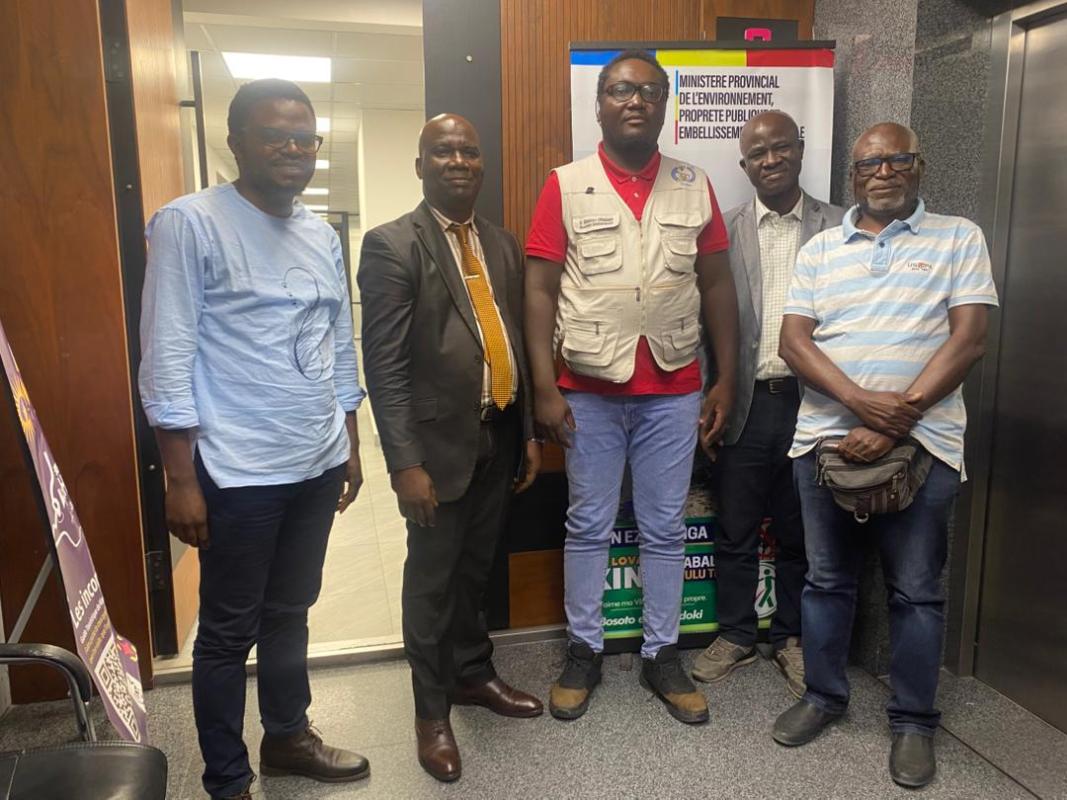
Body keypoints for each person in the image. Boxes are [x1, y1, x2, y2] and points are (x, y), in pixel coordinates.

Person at [139, 79, 369, 800]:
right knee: (227, 630)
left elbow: (339, 341)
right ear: (236, 142)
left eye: (305, 137)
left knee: (291, 611)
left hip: (315, 458)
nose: (294, 149)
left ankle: (287, 737)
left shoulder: (319, 233)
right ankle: (228, 779)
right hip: (237, 469)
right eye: (276, 136)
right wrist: (180, 478)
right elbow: (166, 354)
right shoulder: (189, 223)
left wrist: (349, 439)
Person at [774, 122, 998, 788]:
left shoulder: (958, 238)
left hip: (924, 445)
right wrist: (860, 403)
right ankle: (823, 696)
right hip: (824, 443)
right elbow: (793, 342)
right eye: (870, 163)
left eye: (898, 160)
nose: (883, 171)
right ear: (853, 175)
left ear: (918, 166)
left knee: (917, 592)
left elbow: (968, 340)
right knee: (825, 581)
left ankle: (913, 721)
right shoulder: (819, 250)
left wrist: (899, 418)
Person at [525, 50, 738, 725]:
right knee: (588, 523)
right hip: (586, 389)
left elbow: (716, 285)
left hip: (674, 388)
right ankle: (583, 650)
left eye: (649, 90)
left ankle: (661, 654)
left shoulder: (693, 184)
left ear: (664, 103)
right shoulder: (565, 184)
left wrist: (726, 378)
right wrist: (543, 388)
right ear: (599, 105)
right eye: (620, 90)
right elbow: (538, 289)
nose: (635, 100)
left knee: (664, 528)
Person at [358, 114, 543, 783]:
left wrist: (527, 433)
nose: (458, 161)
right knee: (432, 583)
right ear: (420, 165)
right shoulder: (391, 245)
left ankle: (472, 675)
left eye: (469, 151)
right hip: (435, 450)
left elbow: (513, 339)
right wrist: (404, 463)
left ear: (481, 163)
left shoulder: (501, 243)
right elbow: (384, 365)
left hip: (498, 433)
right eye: (443, 151)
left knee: (475, 571)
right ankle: (431, 711)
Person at [691, 111, 844, 697]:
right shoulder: (722, 233)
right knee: (735, 528)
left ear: (799, 151)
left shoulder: (841, 228)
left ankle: (790, 638)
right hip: (746, 402)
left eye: (781, 148)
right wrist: (708, 398)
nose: (771, 160)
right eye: (758, 153)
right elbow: (704, 327)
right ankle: (734, 633)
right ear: (744, 165)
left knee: (801, 530)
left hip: (814, 405)